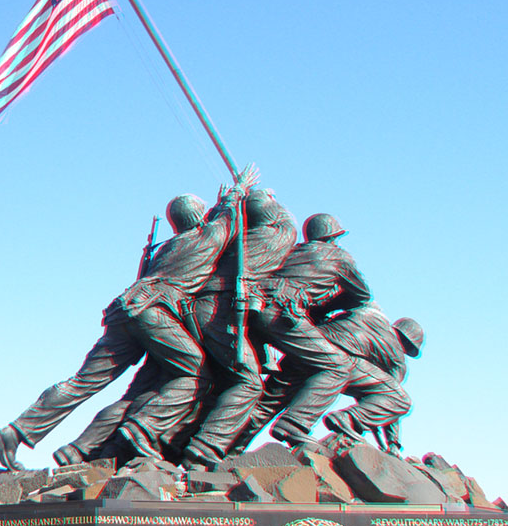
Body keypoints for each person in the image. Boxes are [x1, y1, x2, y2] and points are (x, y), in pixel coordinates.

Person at [0, 166, 259, 470]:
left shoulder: (167, 247)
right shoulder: (207, 236)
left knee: (83, 381)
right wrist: (239, 190)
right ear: (200, 216)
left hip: (124, 308)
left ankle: (17, 430)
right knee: (196, 375)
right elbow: (228, 218)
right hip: (154, 312)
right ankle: (142, 428)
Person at [178, 188, 297, 468]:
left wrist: (227, 203)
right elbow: (288, 224)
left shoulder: (235, 239)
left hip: (201, 307)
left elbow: (212, 227)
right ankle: (205, 446)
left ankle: (180, 446)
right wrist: (258, 196)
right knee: (249, 382)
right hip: (220, 309)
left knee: (219, 381)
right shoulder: (276, 236)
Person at [245, 213, 371, 446]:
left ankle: (225, 446)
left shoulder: (292, 251)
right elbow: (362, 295)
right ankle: (294, 423)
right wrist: (324, 309)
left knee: (269, 390)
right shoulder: (339, 257)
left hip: (255, 308)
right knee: (338, 366)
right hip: (283, 313)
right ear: (332, 237)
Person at [234, 307, 423, 458]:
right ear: (409, 345)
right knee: (400, 399)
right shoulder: (397, 358)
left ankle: (228, 450)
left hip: (308, 345)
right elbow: (387, 399)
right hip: (338, 360)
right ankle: (345, 419)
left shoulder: (368, 312)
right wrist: (392, 444)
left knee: (266, 405)